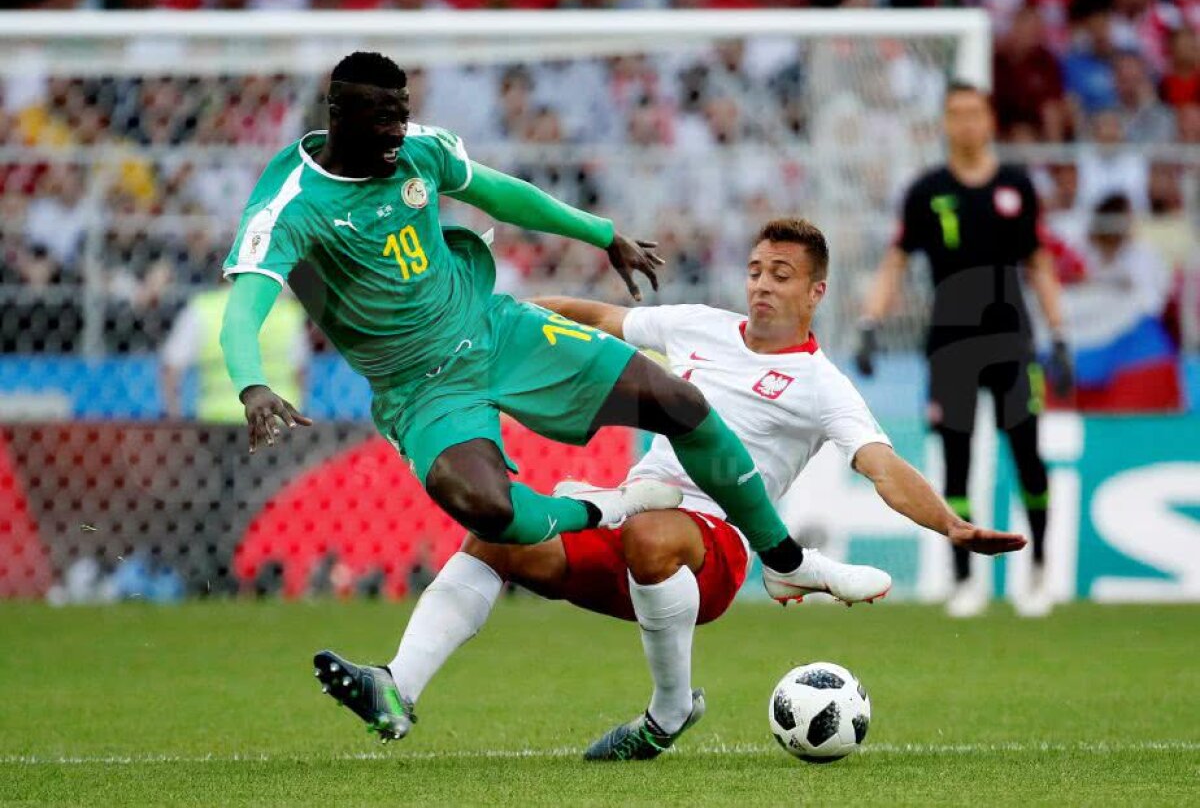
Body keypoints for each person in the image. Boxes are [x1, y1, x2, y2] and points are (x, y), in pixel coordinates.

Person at [219, 52, 891, 734]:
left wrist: (601, 234)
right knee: (490, 514)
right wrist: (252, 385)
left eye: (403, 110)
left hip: (494, 329)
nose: (399, 128)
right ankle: (415, 670)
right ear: (340, 115)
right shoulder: (291, 203)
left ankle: (788, 561)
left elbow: (499, 192)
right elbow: (244, 307)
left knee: (678, 401)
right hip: (421, 390)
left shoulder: (419, 150)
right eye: (383, 117)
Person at [315, 217, 1027, 760]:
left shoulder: (822, 385)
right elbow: (595, 318)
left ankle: (667, 709)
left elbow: (882, 466)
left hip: (711, 545)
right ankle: (397, 685)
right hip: (632, 522)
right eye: (754, 269)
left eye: (781, 273)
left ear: (816, 292)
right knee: (498, 538)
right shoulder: (699, 327)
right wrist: (494, 316)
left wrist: (951, 526)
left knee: (652, 531)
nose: (761, 284)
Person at [855, 82, 1071, 619]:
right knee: (956, 462)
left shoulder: (1017, 186)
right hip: (950, 344)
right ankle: (964, 579)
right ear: (945, 124)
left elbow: (1040, 264)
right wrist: (869, 322)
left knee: (1028, 456)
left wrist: (1060, 334)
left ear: (989, 120)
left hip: (1013, 342)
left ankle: (1040, 570)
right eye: (956, 114)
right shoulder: (926, 189)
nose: (966, 124)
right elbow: (896, 262)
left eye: (975, 113)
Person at [161, 278, 309, 422]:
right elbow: (300, 370)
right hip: (277, 415)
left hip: (220, 419)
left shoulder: (203, 309)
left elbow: (171, 366)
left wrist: (175, 415)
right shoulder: (285, 310)